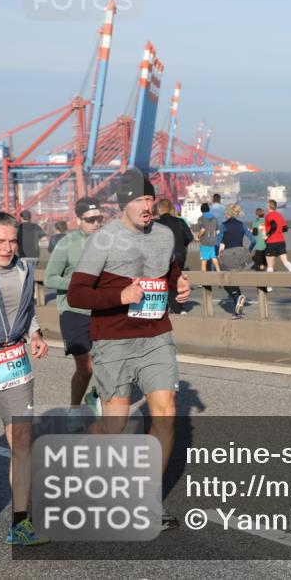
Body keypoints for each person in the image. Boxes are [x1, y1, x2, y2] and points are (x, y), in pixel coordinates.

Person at [67, 169, 191, 532]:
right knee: (113, 425)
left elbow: (168, 273)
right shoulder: (104, 240)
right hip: (114, 341)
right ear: (123, 204)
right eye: (139, 200)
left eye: (150, 199)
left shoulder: (165, 235)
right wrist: (119, 295)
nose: (147, 206)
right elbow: (77, 294)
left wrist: (179, 283)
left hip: (156, 336)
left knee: (166, 413)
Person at [0, 212, 50, 545]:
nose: (7, 247)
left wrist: (36, 333)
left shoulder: (25, 269)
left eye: (12, 241)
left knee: (22, 442)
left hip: (14, 362)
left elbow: (27, 308)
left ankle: (20, 523)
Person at [44, 197, 104, 421]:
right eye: (90, 220)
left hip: (102, 310)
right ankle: (75, 409)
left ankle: (97, 395)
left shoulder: (109, 242)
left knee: (111, 363)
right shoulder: (66, 244)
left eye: (99, 218)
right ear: (78, 220)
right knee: (86, 367)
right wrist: (77, 284)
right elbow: (50, 278)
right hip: (74, 312)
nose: (96, 223)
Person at [217, 203, 257, 319]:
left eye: (225, 212)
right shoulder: (242, 225)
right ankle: (238, 311)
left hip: (228, 255)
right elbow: (253, 240)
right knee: (235, 281)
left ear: (229, 213)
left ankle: (236, 296)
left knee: (226, 281)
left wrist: (216, 253)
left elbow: (217, 242)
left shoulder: (223, 226)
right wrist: (247, 251)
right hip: (241, 254)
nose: (224, 214)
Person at [156, 199, 194, 314]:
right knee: (178, 280)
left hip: (163, 256)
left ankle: (172, 306)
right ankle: (178, 306)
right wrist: (182, 246)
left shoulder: (156, 224)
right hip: (179, 255)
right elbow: (190, 237)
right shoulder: (180, 222)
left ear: (159, 209)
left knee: (164, 280)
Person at [264, 198, 291, 292]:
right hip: (281, 241)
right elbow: (285, 228)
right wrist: (277, 231)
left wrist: (268, 235)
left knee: (270, 265)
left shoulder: (268, 216)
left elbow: (273, 225)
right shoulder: (280, 215)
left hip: (271, 242)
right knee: (286, 262)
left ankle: (269, 286)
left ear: (269, 206)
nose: (266, 207)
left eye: (267, 205)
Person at [197, 203, 221, 273]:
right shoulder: (214, 218)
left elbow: (203, 229)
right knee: (213, 257)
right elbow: (217, 230)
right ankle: (218, 271)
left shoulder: (201, 219)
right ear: (208, 209)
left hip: (204, 242)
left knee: (204, 260)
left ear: (201, 210)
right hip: (212, 241)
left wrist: (198, 236)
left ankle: (204, 278)